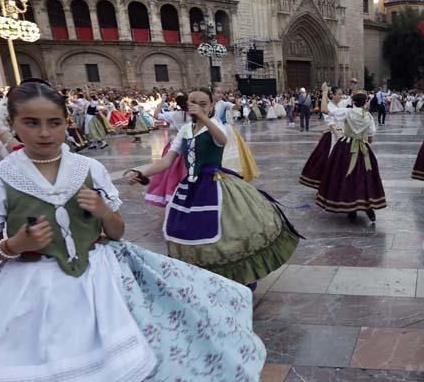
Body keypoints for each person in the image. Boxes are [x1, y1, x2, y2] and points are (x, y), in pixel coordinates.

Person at [0, 80, 265, 382]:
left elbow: (117, 231)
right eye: (31, 123)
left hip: (102, 275)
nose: (45, 133)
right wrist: (13, 245)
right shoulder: (2, 177)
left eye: (54, 122)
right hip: (32, 289)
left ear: (68, 123)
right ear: (13, 125)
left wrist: (103, 211)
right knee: (48, 373)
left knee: (143, 357)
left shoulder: (89, 169)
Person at [127, 88, 300, 287]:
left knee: (228, 233)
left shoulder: (215, 125)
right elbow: (166, 161)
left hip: (216, 185)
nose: (198, 107)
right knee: (189, 232)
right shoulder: (184, 130)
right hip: (190, 187)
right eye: (193, 102)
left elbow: (222, 140)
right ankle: (204, 277)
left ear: (211, 107)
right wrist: (142, 172)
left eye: (203, 104)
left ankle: (239, 278)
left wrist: (204, 118)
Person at [316, 88, 385, 223]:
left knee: (344, 174)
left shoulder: (347, 112)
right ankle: (368, 207)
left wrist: (324, 93)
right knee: (364, 176)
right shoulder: (368, 116)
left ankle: (350, 208)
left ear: (353, 101)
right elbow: (370, 138)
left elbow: (324, 110)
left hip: (345, 147)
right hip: (362, 148)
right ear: (365, 102)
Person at [300, 85, 349, 189]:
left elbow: (352, 99)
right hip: (333, 135)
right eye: (339, 94)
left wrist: (354, 86)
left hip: (343, 133)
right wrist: (338, 135)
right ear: (333, 95)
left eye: (342, 94)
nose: (341, 96)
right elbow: (329, 121)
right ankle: (328, 183)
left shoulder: (342, 103)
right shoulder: (329, 106)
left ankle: (340, 183)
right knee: (330, 158)